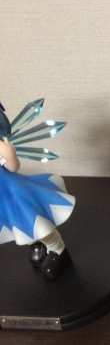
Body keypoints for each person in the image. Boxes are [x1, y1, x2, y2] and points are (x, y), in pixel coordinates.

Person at [0, 102, 74, 279]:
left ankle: (58, 250)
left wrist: (8, 153)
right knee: (16, 224)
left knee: (33, 220)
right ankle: (36, 244)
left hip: (13, 192)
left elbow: (13, 166)